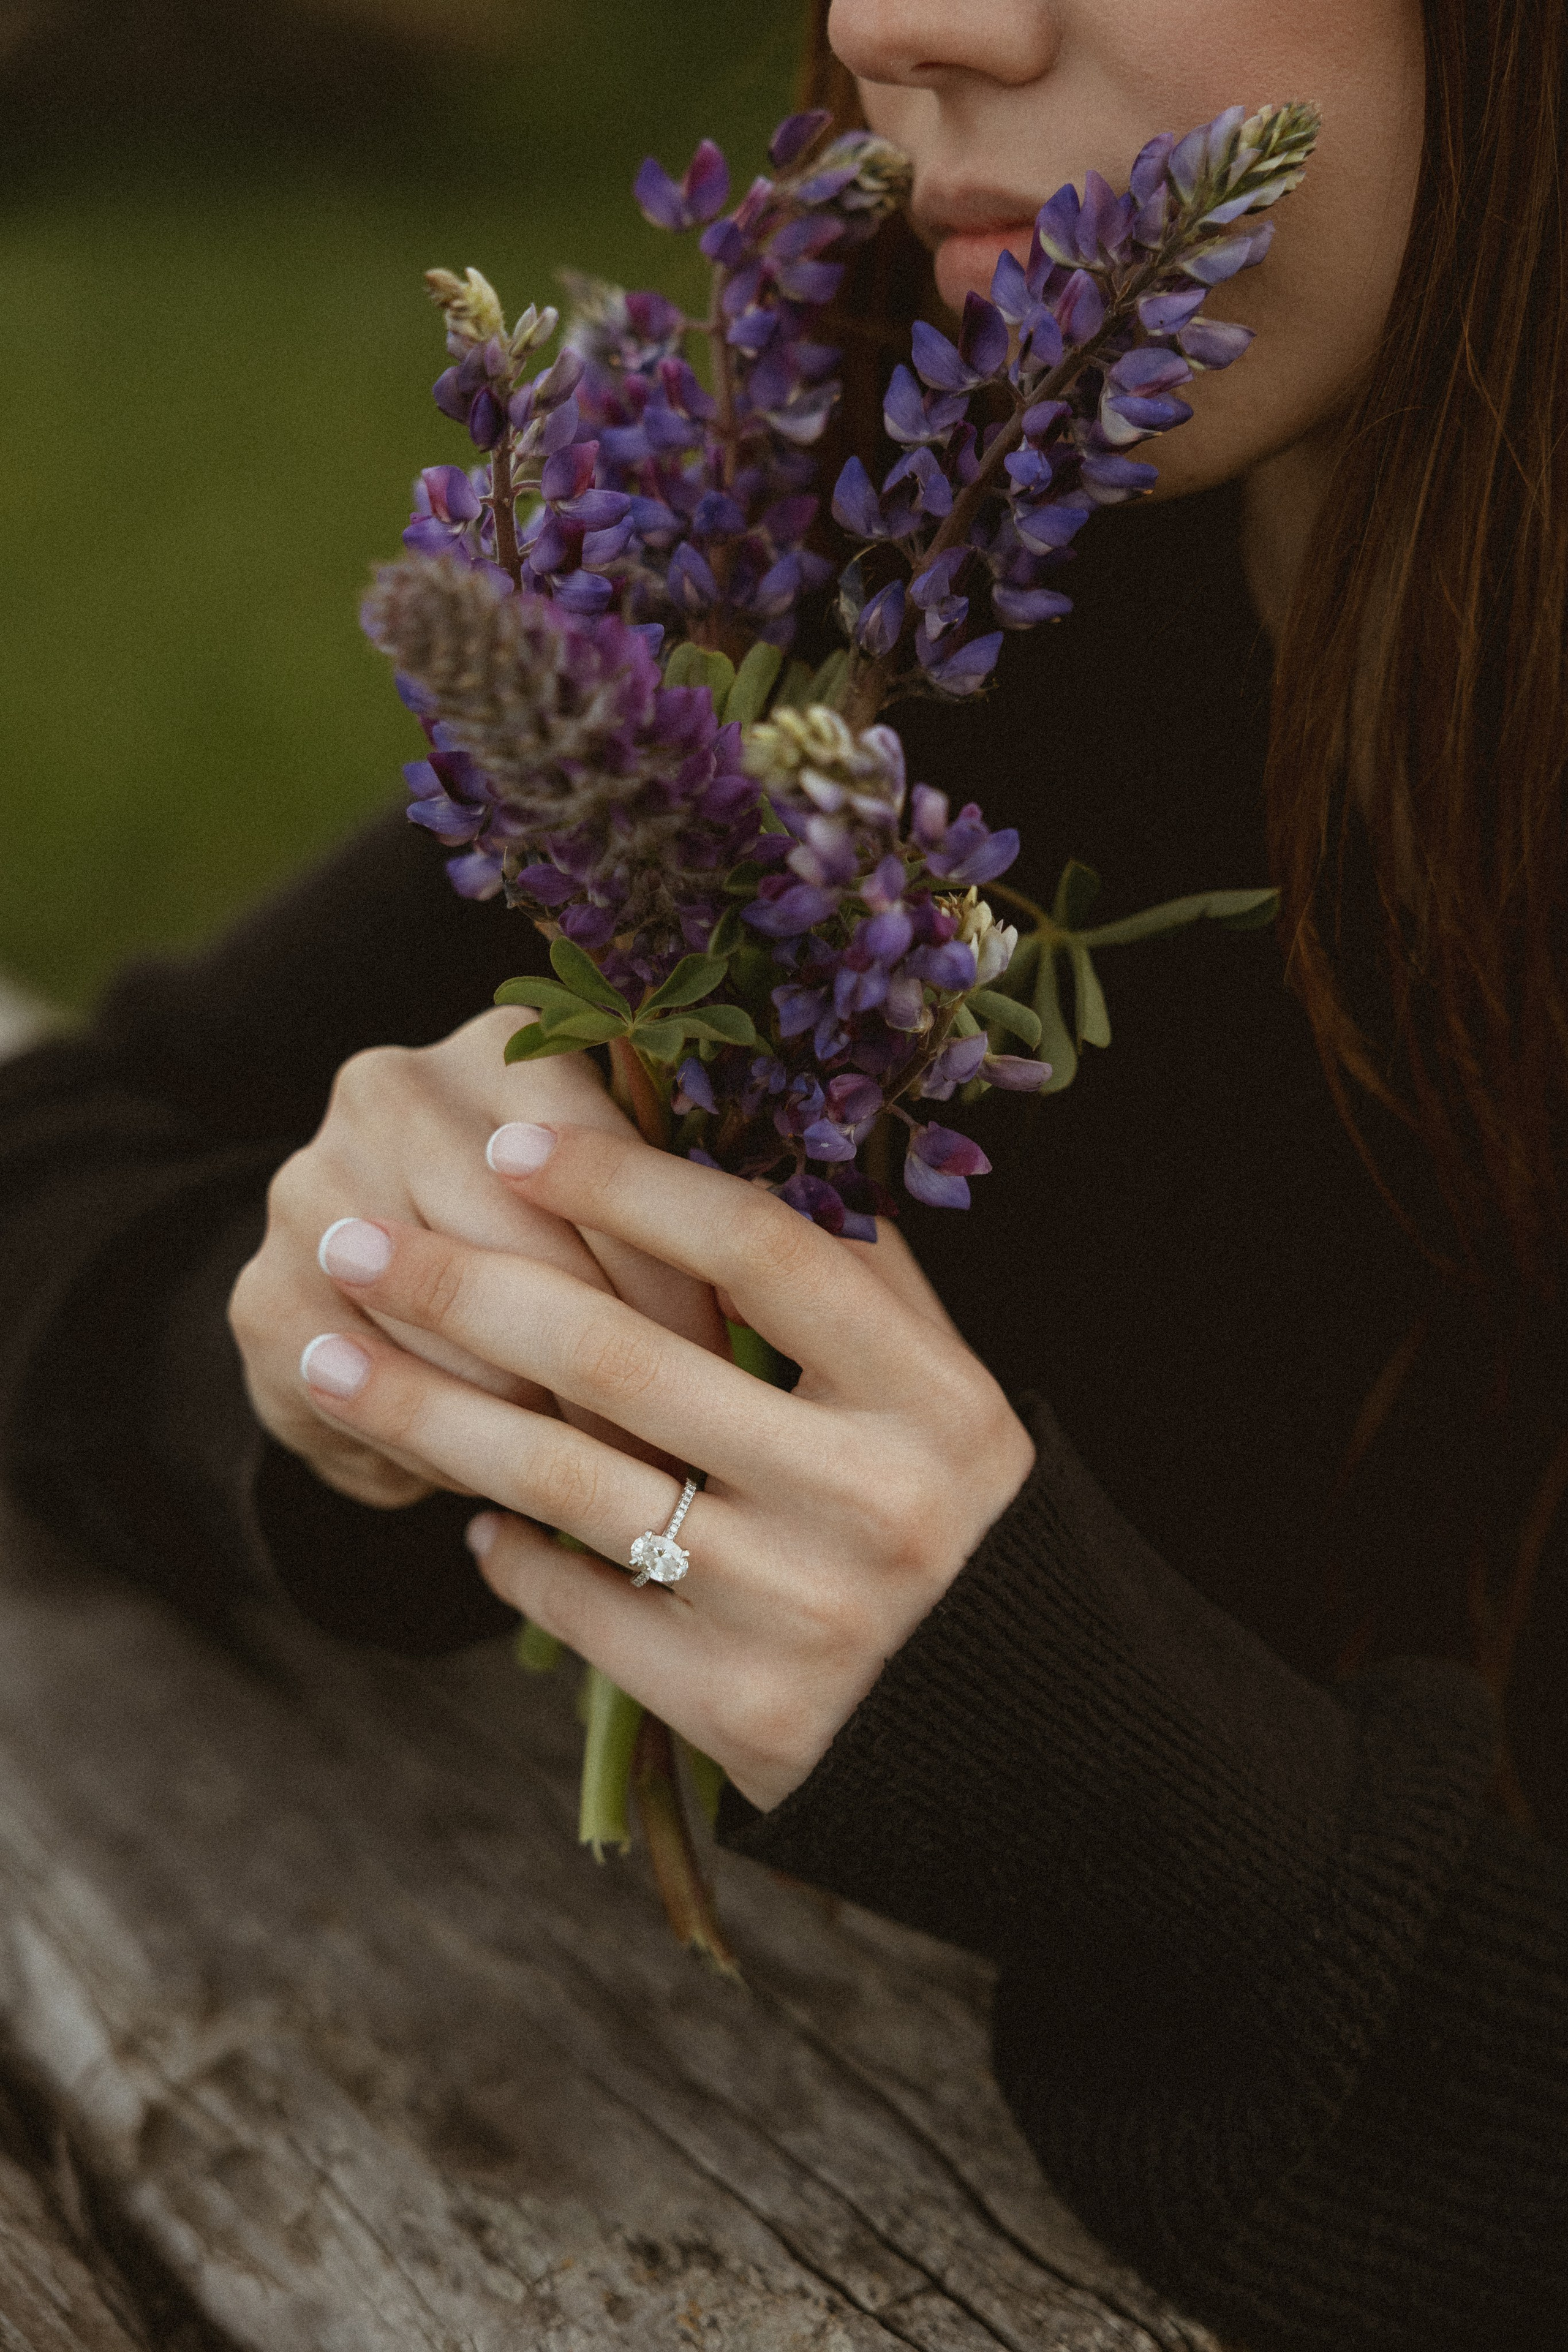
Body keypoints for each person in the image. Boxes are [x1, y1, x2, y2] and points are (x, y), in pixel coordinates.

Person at [1, 1, 1564, 2341]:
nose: (898, 17)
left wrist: (1119, 1783)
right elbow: (59, 1158)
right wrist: (374, 1362)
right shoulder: (921, 580)